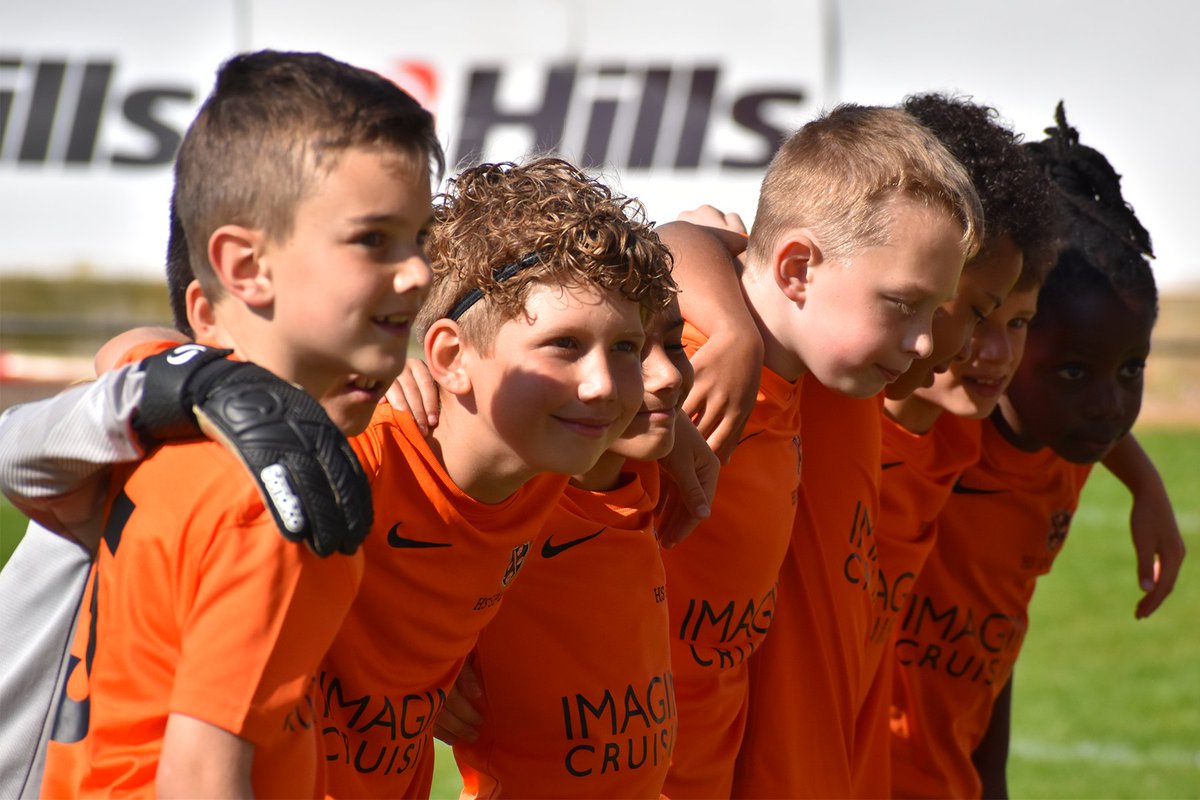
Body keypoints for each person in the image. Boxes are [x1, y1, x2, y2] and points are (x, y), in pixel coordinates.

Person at [33, 49, 441, 798]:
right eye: (373, 239)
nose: (417, 273)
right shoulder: (276, 497)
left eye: (420, 239)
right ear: (246, 268)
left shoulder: (169, 434)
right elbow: (200, 778)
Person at [316, 156, 681, 799]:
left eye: (624, 347)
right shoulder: (352, 465)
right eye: (564, 345)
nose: (602, 385)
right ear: (451, 357)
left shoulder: (547, 466)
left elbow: (715, 238)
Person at [656, 103, 982, 797]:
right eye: (902, 303)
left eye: (937, 311)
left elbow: (698, 232)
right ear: (797, 268)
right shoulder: (676, 378)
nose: (925, 342)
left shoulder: (827, 382)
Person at [888, 104, 1184, 799]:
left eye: (1131, 369)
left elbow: (991, 637)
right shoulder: (939, 425)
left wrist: (1147, 486)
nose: (1110, 406)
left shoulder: (1063, 447)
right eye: (1075, 371)